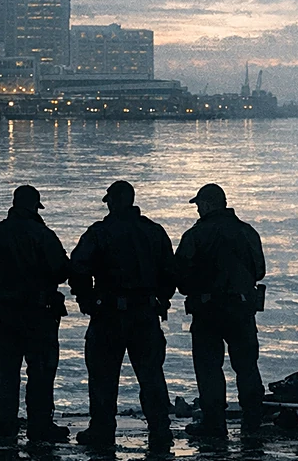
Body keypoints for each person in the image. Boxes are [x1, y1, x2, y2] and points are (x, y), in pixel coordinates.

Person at [67, 181, 176, 450]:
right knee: (151, 375)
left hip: (108, 315)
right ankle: (160, 430)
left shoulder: (99, 233)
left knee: (103, 376)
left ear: (113, 202)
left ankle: (102, 431)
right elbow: (171, 271)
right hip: (145, 314)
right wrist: (162, 298)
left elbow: (77, 267)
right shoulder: (154, 232)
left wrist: (87, 299)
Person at [0, 185, 72, 443]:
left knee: (6, 373)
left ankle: (5, 426)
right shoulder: (42, 234)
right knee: (40, 373)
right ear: (34, 207)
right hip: (39, 316)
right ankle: (39, 426)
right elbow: (62, 270)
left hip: (4, 315)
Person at [175, 183, 266, 439]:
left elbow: (180, 276)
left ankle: (214, 424)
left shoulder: (195, 235)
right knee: (247, 366)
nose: (198, 211)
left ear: (207, 205)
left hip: (207, 312)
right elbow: (259, 271)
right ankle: (253, 420)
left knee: (209, 368)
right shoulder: (248, 232)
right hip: (241, 310)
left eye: (199, 206)